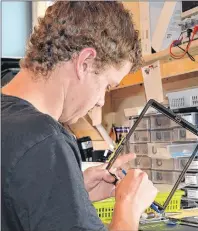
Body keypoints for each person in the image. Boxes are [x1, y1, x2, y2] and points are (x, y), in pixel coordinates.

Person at [1, 1, 157, 231]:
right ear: (84, 62)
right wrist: (128, 208)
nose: (101, 101)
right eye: (106, 85)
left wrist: (71, 193)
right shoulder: (44, 140)